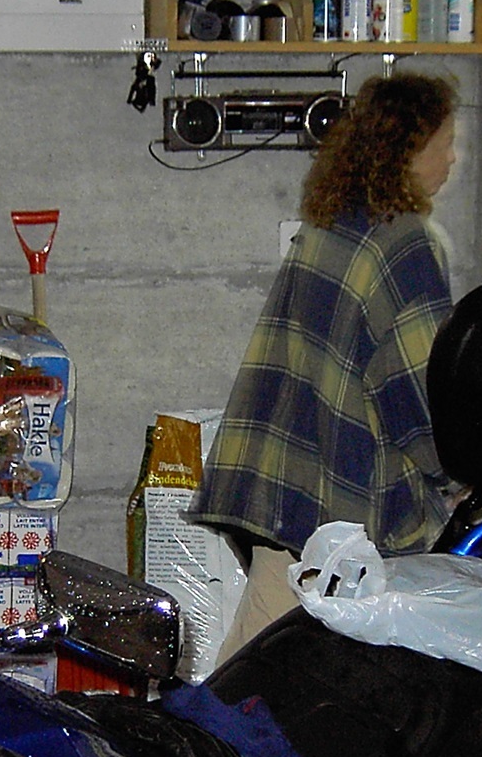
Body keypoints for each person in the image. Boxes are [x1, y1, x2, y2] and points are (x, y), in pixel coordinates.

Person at [194, 72, 464, 660]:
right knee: (283, 690)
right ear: (406, 150)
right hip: (342, 517)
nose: (452, 158)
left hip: (283, 493)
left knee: (252, 665)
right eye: (444, 142)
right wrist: (465, 473)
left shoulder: (333, 221)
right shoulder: (404, 244)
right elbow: (421, 396)